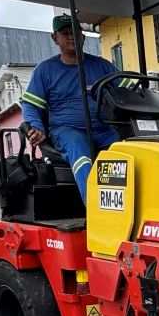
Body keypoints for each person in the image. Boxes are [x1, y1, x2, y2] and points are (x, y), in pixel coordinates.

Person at [20, 15, 118, 194]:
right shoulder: (45, 70)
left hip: (104, 130)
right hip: (68, 131)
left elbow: (128, 90)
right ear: (55, 38)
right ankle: (94, 207)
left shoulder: (103, 66)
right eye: (65, 33)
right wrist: (36, 127)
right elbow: (30, 105)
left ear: (83, 37)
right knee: (79, 150)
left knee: (131, 148)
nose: (71, 36)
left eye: (75, 32)